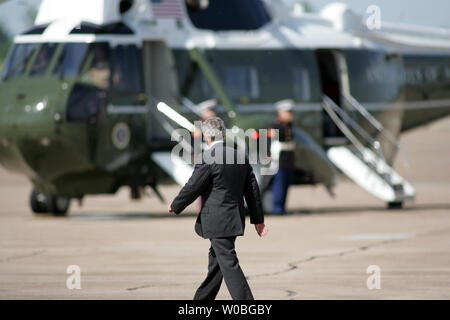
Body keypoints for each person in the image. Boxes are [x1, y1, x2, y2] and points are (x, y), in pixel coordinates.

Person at [169, 117, 268, 300]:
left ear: (207, 137)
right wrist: (258, 220)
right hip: (234, 218)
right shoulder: (239, 155)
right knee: (217, 264)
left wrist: (176, 205)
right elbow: (252, 189)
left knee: (228, 263)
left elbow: (193, 186)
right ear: (223, 133)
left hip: (217, 220)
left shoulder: (207, 157)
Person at [270, 99, 296, 215]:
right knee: (279, 184)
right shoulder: (276, 126)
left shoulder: (289, 125)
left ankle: (283, 207)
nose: (290, 115)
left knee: (286, 184)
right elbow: (270, 142)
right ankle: (277, 208)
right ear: (280, 113)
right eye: (287, 112)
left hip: (288, 159)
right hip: (279, 159)